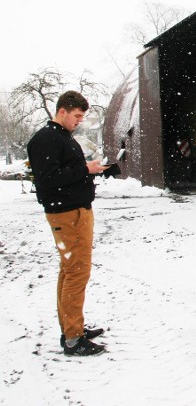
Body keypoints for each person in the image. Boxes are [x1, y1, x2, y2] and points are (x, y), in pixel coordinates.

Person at [27, 90, 109, 357]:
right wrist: (86, 170)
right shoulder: (47, 139)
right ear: (62, 111)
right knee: (76, 273)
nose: (78, 121)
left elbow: (65, 173)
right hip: (67, 214)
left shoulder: (61, 137)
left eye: (81, 117)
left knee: (70, 271)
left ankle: (73, 328)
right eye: (76, 116)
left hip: (75, 212)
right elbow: (48, 178)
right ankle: (73, 339)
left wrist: (89, 170)